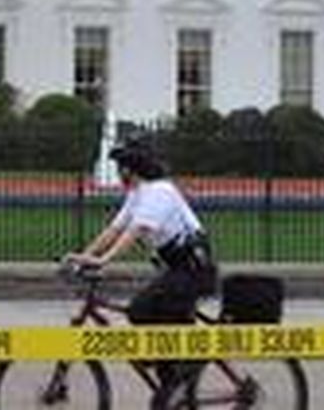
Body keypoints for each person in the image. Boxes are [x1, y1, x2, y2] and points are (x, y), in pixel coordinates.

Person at [65, 138, 217, 409]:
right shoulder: (138, 193)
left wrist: (103, 261)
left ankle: (183, 371)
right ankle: (172, 383)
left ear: (130, 169)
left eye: (120, 166)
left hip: (194, 271)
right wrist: (84, 257)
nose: (118, 173)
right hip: (177, 271)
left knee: (141, 310)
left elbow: (137, 231)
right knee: (152, 317)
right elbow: (114, 230)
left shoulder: (160, 192)